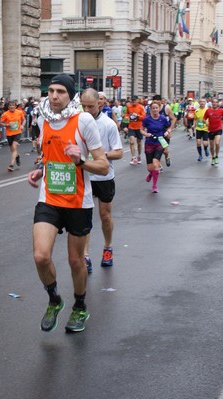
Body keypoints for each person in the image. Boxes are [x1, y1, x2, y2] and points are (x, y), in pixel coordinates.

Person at [27, 74, 109, 333]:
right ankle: (54, 299)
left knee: (76, 261)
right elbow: (47, 152)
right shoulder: (42, 117)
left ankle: (80, 306)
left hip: (77, 202)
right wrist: (41, 169)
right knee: (41, 256)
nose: (54, 96)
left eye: (60, 91)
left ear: (70, 95)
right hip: (49, 198)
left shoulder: (83, 121)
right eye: (50, 90)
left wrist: (80, 162)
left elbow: (103, 165)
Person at [80, 88, 123, 273]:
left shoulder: (108, 124)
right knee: (84, 218)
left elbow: (119, 152)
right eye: (84, 106)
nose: (87, 110)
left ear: (100, 103)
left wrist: (100, 155)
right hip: (85, 175)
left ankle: (107, 247)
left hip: (104, 176)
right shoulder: (78, 122)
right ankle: (86, 256)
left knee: (105, 216)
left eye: (91, 106)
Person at [142, 102, 171, 193]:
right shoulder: (147, 119)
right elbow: (141, 129)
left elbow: (168, 128)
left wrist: (167, 132)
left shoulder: (163, 119)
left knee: (155, 163)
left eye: (156, 108)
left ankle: (154, 186)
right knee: (150, 168)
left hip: (160, 142)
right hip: (149, 143)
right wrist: (146, 134)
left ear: (159, 109)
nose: (155, 110)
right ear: (150, 109)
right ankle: (151, 173)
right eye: (153, 108)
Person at [0, 100, 25, 172]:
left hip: (17, 132)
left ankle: (11, 165)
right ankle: (17, 156)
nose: (12, 106)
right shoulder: (5, 114)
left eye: (13, 105)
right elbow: (1, 123)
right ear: (8, 107)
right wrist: (7, 125)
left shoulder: (19, 112)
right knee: (12, 150)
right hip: (9, 134)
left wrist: (22, 125)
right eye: (10, 105)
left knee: (14, 147)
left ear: (15, 106)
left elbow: (24, 120)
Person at [204, 99, 223, 166]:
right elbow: (204, 118)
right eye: (214, 102)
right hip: (210, 129)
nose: (215, 103)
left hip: (218, 129)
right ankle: (213, 157)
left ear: (218, 104)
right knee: (211, 146)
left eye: (216, 102)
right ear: (212, 103)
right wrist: (206, 122)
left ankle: (217, 156)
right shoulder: (208, 111)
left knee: (217, 143)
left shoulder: (221, 110)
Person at [126, 97, 146, 165]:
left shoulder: (140, 107)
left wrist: (137, 115)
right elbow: (127, 114)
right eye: (132, 100)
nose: (133, 101)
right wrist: (126, 117)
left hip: (139, 127)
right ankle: (133, 157)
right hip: (131, 126)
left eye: (134, 100)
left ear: (137, 100)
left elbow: (144, 117)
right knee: (131, 142)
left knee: (139, 142)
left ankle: (139, 156)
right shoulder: (129, 107)